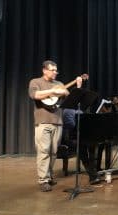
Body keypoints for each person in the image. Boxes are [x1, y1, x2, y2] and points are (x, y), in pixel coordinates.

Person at [29, 60, 70, 191]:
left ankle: (49, 176)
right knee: (43, 151)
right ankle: (43, 180)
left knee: (53, 152)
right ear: (44, 70)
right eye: (52, 70)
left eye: (56, 70)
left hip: (58, 121)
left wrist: (64, 91)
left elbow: (68, 96)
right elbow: (35, 95)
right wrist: (52, 91)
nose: (55, 73)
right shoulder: (35, 82)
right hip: (43, 121)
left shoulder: (59, 83)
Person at [62, 108, 100, 184]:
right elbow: (71, 126)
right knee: (82, 149)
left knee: (92, 144)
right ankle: (92, 174)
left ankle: (93, 171)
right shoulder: (67, 111)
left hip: (82, 135)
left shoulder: (80, 110)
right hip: (72, 137)